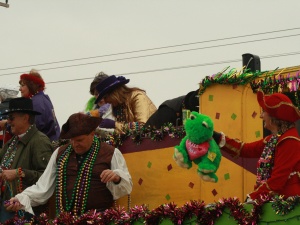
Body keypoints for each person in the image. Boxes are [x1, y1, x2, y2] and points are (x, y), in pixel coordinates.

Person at [5, 113, 132, 217]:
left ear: (92, 134)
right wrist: (22, 198)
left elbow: (126, 187)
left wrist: (116, 177)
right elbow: (43, 187)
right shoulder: (59, 153)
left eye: (79, 140)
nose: (75, 144)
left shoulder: (110, 153)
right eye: (71, 140)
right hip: (66, 220)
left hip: (100, 219)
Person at [217, 90, 300, 201]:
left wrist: (253, 197)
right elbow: (244, 149)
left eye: (264, 112)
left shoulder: (289, 141)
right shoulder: (273, 139)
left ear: (274, 117)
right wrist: (215, 136)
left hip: (288, 206)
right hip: (275, 203)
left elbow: (278, 180)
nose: (261, 116)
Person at [0, 97, 53, 222]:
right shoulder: (12, 141)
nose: (8, 121)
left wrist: (19, 172)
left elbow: (47, 178)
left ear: (25, 118)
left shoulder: (39, 141)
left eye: (11, 117)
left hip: (26, 211)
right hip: (8, 205)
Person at [19, 69, 60, 142]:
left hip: (43, 145)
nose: (20, 89)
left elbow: (33, 127)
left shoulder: (37, 102)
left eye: (23, 85)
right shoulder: (43, 98)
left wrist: (9, 125)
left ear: (32, 86)